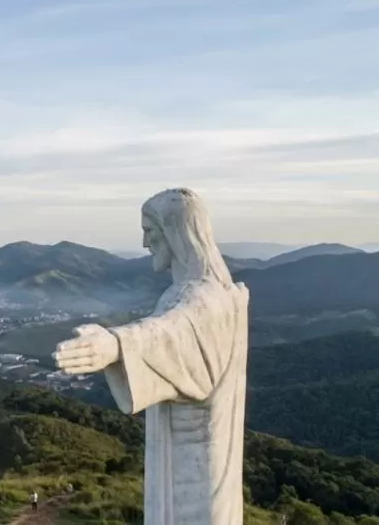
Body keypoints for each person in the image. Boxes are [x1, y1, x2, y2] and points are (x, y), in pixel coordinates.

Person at [54, 188, 250, 525]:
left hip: (194, 459)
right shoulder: (206, 291)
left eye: (149, 231)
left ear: (176, 233)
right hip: (190, 450)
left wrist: (115, 344)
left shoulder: (203, 298)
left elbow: (172, 333)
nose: (145, 243)